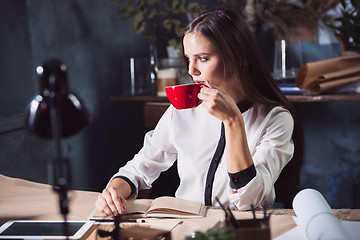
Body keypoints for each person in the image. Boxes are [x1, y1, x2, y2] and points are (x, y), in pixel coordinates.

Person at [95, 8, 303, 217]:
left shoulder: (276, 119)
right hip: (186, 225)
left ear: (238, 58)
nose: (191, 70)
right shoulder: (183, 110)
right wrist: (113, 191)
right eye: (188, 58)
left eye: (203, 58)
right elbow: (140, 167)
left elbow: (249, 200)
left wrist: (233, 121)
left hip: (243, 228)